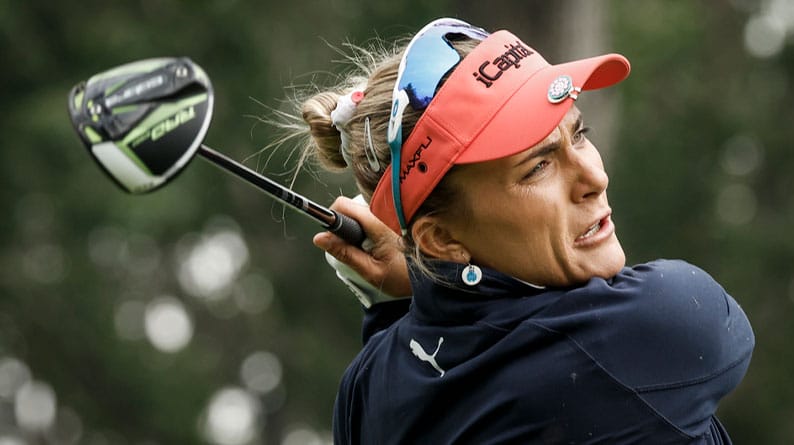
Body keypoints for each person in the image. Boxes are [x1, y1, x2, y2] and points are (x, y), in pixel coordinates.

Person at [282, 17, 754, 444]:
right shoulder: (645, 334)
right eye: (538, 167)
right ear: (440, 238)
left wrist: (417, 295)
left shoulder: (364, 391)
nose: (594, 179)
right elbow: (713, 319)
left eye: (580, 134)